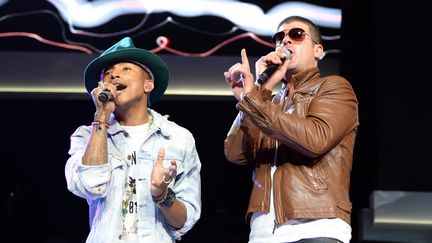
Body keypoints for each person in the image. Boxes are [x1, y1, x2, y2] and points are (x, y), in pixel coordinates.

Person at [223, 15, 359, 243]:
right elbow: (236, 154)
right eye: (279, 38)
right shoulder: (269, 102)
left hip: (315, 227)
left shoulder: (334, 87)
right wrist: (260, 89)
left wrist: (254, 102)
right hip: (262, 234)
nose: (285, 41)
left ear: (318, 50)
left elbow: (315, 139)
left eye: (295, 35)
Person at [65, 37, 201, 242]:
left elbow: (184, 220)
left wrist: (162, 195)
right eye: (107, 74)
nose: (114, 75)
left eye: (126, 69)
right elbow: (90, 186)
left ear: (148, 85)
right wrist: (101, 117)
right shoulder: (86, 136)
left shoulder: (178, 138)